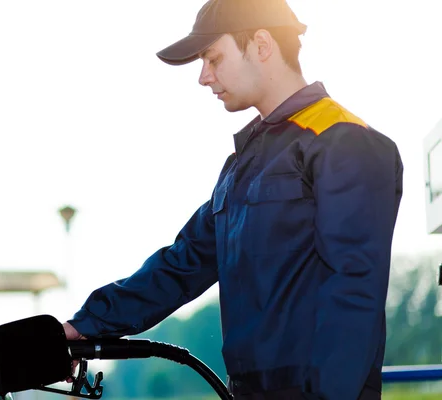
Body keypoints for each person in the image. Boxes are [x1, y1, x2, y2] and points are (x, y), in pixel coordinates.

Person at [63, 0, 404, 399]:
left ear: (261, 45)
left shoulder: (345, 143)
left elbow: (353, 293)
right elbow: (181, 264)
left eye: (213, 58)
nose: (203, 77)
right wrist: (81, 326)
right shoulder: (243, 164)